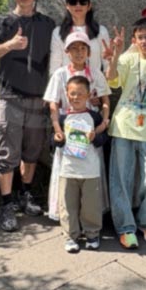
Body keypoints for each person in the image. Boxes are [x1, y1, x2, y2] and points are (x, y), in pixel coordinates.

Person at [0, 0, 55, 232]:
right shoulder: (2, 22)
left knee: (32, 150)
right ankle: (7, 204)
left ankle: (25, 194)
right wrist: (10, 45)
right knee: (7, 152)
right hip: (10, 96)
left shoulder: (47, 24)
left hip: (38, 97)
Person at [105, 19, 146, 249]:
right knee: (121, 179)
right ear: (134, 40)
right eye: (140, 37)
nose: (144, 41)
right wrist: (116, 53)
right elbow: (111, 80)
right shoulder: (128, 60)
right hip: (123, 126)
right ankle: (125, 227)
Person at [44, 32, 111, 221]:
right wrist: (58, 129)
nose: (79, 52)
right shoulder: (60, 74)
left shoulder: (95, 73)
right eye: (74, 48)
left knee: (91, 167)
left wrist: (103, 123)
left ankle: (90, 216)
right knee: (67, 169)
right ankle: (67, 215)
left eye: (83, 48)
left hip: (90, 127)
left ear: (89, 52)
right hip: (68, 127)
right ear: (67, 51)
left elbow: (105, 99)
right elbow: (53, 104)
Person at [53, 76, 109, 253]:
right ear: (66, 95)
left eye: (80, 94)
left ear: (88, 95)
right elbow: (55, 142)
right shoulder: (63, 118)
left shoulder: (94, 116)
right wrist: (57, 139)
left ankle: (92, 233)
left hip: (90, 171)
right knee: (68, 206)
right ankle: (70, 236)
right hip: (68, 170)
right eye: (72, 94)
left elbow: (104, 139)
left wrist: (95, 137)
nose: (76, 97)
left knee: (91, 206)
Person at [49, 0, 110, 76]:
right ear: (67, 6)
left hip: (94, 84)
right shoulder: (58, 33)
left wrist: (115, 57)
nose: (78, 5)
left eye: (83, 1)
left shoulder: (101, 31)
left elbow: (107, 66)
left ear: (89, 5)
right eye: (73, 1)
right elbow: (54, 68)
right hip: (68, 84)